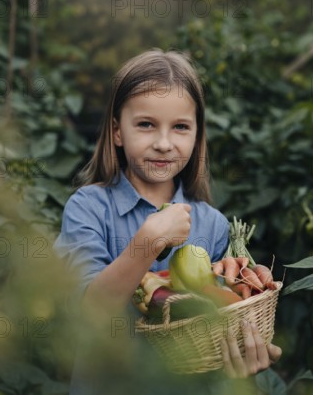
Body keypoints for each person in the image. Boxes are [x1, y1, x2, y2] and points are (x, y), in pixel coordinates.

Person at [53, 49, 281, 394]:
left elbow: (215, 328)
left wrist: (245, 358)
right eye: (146, 124)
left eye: (180, 127)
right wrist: (148, 241)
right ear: (117, 131)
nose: (163, 143)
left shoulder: (213, 225)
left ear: (195, 134)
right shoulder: (89, 208)